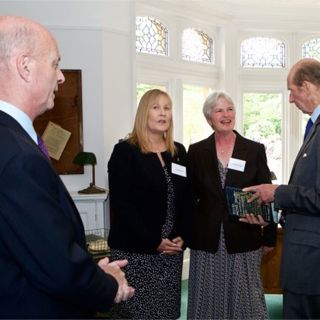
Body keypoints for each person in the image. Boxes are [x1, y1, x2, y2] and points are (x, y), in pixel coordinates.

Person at [0, 15, 134, 319]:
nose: (61, 77)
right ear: (25, 66)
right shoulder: (17, 155)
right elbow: (55, 266)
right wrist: (109, 285)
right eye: (55, 64)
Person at [184, 91, 277, 320]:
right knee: (207, 300)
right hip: (206, 240)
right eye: (219, 110)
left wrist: (270, 236)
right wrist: (184, 234)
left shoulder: (254, 149)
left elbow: (268, 194)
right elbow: (188, 198)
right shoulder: (196, 151)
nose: (226, 115)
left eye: (230, 109)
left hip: (244, 236)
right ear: (209, 119)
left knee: (247, 301)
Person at [242, 58, 320, 319]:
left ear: (307, 86)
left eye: (292, 90)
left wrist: (277, 193)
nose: (289, 99)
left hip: (310, 261)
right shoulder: (314, 128)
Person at [107, 89, 187, 319]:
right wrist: (154, 242)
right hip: (136, 253)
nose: (163, 113)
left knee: (167, 312)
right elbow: (122, 206)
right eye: (156, 107)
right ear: (144, 112)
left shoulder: (178, 152)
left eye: (167, 108)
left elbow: (187, 200)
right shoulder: (125, 152)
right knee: (137, 313)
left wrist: (183, 235)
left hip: (170, 253)